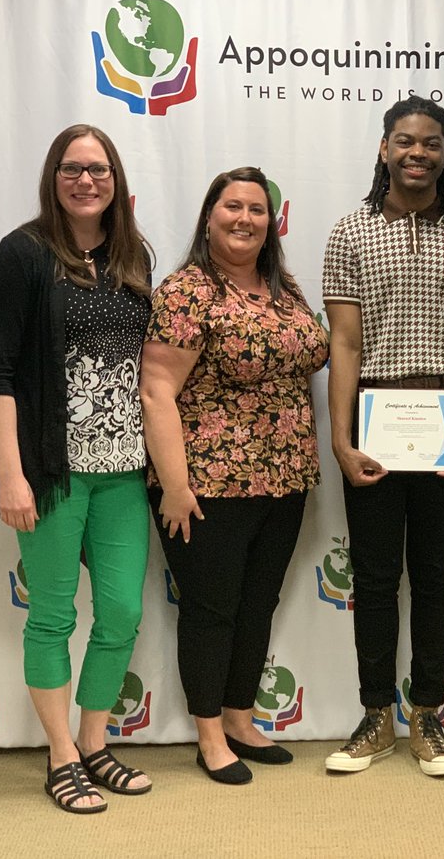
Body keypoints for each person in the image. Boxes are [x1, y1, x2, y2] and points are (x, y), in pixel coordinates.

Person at [321, 96, 444, 777]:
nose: (417, 152)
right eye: (405, 141)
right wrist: (339, 438)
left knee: (431, 575)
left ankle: (427, 715)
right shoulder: (349, 231)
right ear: (384, 149)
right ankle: (376, 716)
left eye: (430, 142)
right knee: (373, 577)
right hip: (372, 420)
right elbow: (344, 340)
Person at [0, 124, 154, 813]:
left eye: (99, 168)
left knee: (121, 611)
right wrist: (10, 474)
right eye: (72, 169)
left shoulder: (132, 258)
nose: (87, 180)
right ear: (53, 178)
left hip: (123, 470)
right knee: (51, 616)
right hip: (51, 470)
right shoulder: (22, 254)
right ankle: (60, 757)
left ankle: (94, 742)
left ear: (116, 180)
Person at [140, 167, 328, 786]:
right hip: (206, 485)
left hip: (285, 479)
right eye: (232, 206)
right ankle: (210, 736)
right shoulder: (188, 291)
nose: (245, 218)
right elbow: (158, 389)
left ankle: (241, 716)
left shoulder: (283, 288)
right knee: (211, 610)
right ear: (209, 215)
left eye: (256, 209)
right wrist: (174, 485)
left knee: (257, 605)